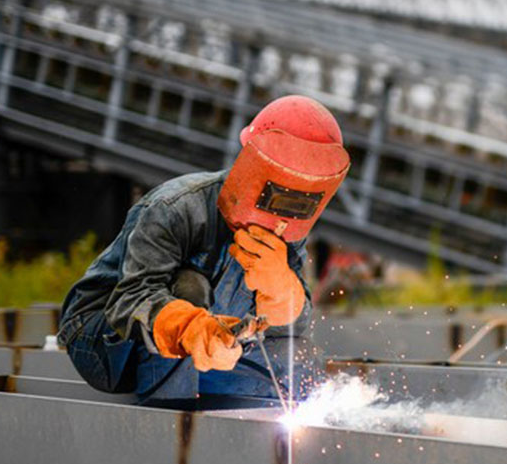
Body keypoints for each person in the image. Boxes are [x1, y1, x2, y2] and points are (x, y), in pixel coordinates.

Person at [57, 95, 350, 406]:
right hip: (104, 341)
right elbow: (131, 298)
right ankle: (174, 421)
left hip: (213, 349)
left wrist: (284, 293)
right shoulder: (175, 206)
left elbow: (294, 328)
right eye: (280, 193)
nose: (282, 215)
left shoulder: (288, 228)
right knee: (188, 288)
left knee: (298, 357)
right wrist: (191, 328)